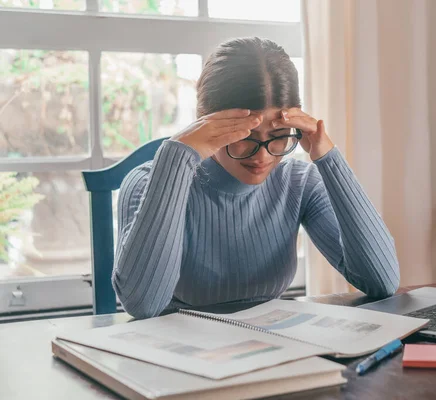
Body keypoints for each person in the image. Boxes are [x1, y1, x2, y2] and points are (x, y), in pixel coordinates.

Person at [114, 37, 400, 319]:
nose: (263, 156)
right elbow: (144, 305)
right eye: (244, 136)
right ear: (205, 122)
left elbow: (381, 281)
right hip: (174, 351)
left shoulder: (300, 183)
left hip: (271, 345)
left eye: (278, 137)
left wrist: (328, 157)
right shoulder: (146, 182)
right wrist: (176, 157)